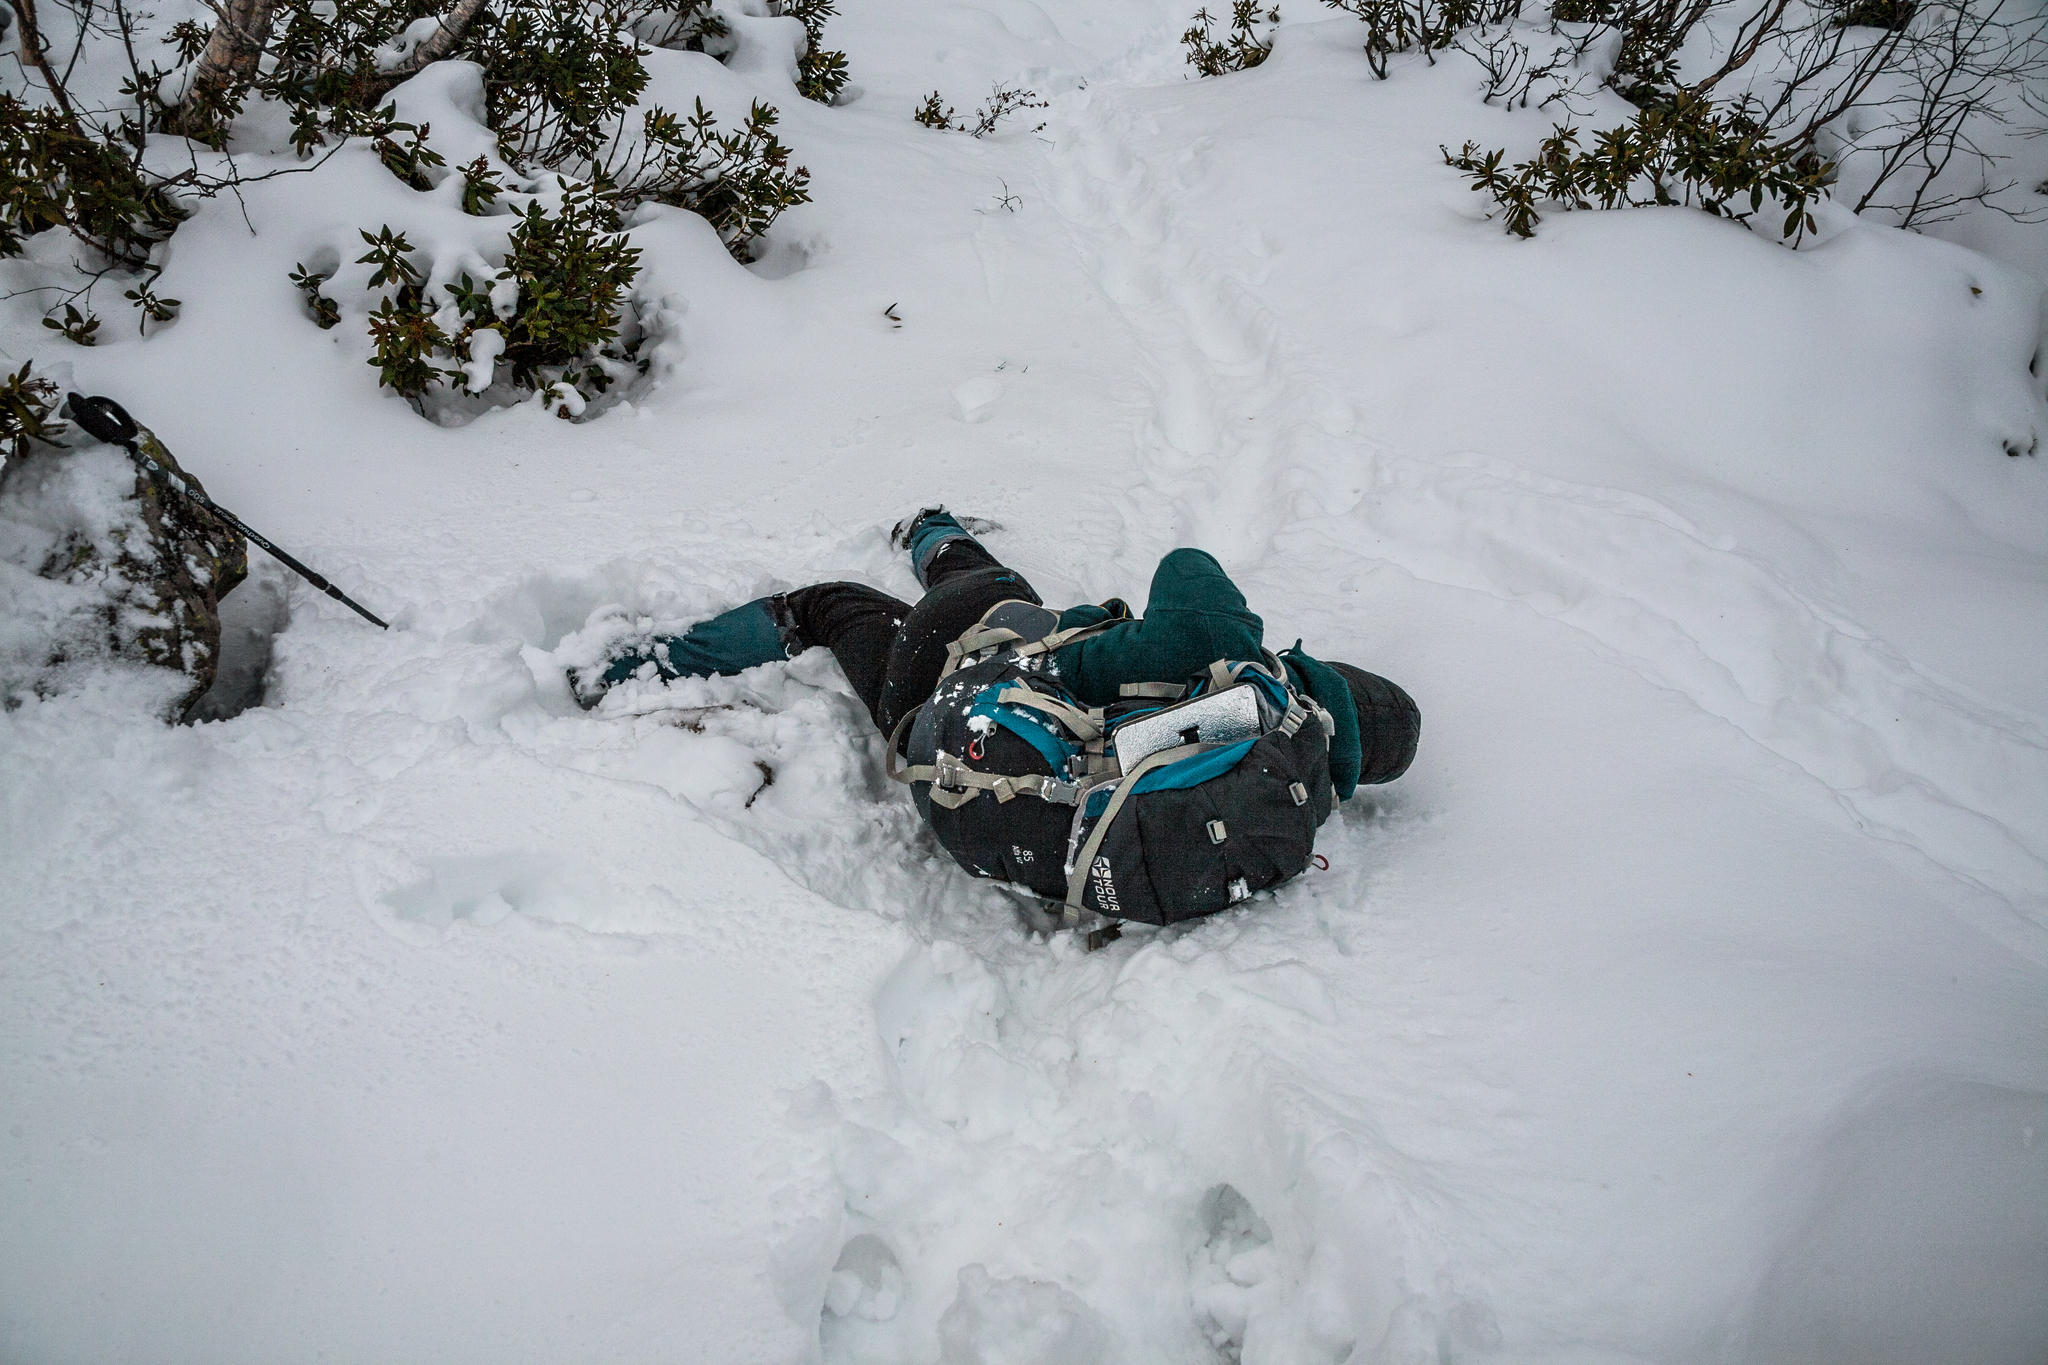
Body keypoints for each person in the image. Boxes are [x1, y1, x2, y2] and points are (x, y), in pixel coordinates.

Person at [579, 507, 1419, 786]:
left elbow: (1187, 579)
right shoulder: (1272, 789)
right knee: (882, 611)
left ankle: (627, 668)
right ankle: (934, 535)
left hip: (969, 677)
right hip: (964, 726)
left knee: (847, 603)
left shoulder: (1249, 681)